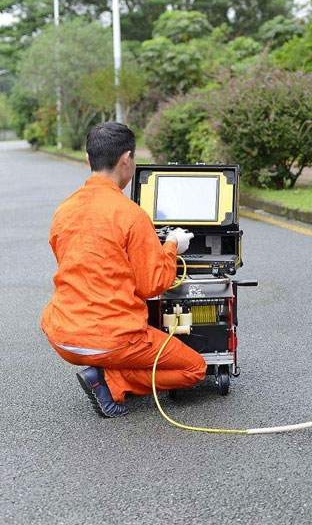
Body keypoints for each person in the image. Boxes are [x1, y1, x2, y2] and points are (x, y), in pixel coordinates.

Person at [41, 122, 205, 418]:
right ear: (126, 159)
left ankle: (106, 372)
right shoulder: (131, 214)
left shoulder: (64, 209)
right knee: (194, 368)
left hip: (62, 335)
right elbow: (151, 284)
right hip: (112, 338)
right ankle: (113, 379)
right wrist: (171, 247)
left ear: (89, 160)